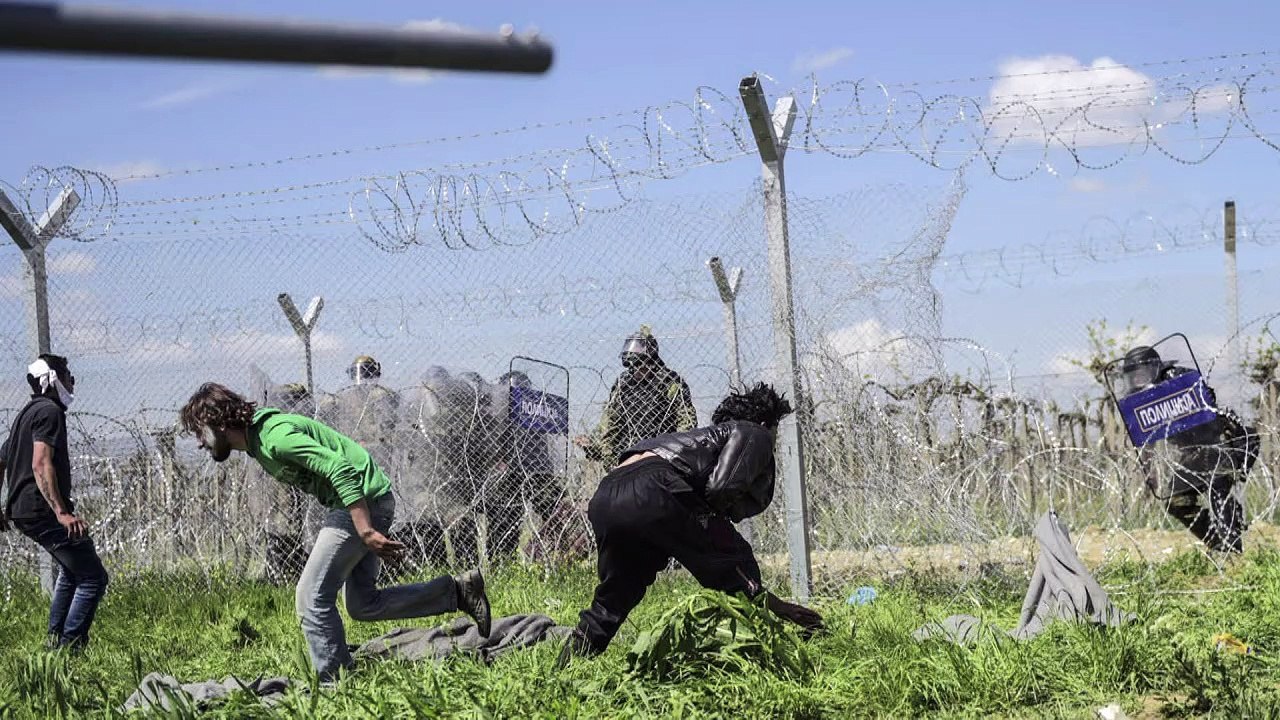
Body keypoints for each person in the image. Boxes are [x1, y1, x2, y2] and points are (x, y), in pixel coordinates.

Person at [178, 382, 492, 681]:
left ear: (215, 422)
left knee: (311, 595)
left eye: (198, 432)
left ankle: (334, 682)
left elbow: (339, 468)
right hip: (365, 501)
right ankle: (458, 592)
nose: (198, 442)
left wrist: (365, 530)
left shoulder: (275, 437)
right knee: (363, 604)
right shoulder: (258, 441)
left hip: (360, 503)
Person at [558, 382, 824, 665]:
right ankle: (771, 652)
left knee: (614, 599)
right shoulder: (753, 431)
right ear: (764, 422)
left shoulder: (698, 438)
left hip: (607, 494)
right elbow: (721, 490)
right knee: (735, 560)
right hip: (655, 487)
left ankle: (564, 670)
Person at [0, 354, 109, 650]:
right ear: (52, 379)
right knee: (93, 578)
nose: (71, 381)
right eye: (67, 375)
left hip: (24, 509)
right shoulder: (49, 411)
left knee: (71, 571)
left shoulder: (26, 414)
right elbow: (40, 462)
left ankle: (54, 641)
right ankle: (70, 647)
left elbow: (2, 457)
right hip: (42, 509)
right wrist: (61, 512)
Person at [1121, 345, 1259, 553]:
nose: (1138, 381)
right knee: (1176, 501)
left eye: (1141, 375)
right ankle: (1216, 541)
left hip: (1222, 441)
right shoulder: (1137, 400)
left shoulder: (1177, 378)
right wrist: (1149, 471)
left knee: (1218, 488)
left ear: (1154, 369)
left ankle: (1232, 552)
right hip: (1195, 452)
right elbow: (1145, 438)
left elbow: (1207, 401)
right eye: (1133, 377)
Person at [575, 328, 698, 466]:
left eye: (641, 366)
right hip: (628, 456)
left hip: (661, 456)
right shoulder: (624, 384)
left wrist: (676, 453)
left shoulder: (669, 382)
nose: (636, 372)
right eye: (632, 367)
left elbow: (686, 421)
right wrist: (596, 448)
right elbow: (611, 423)